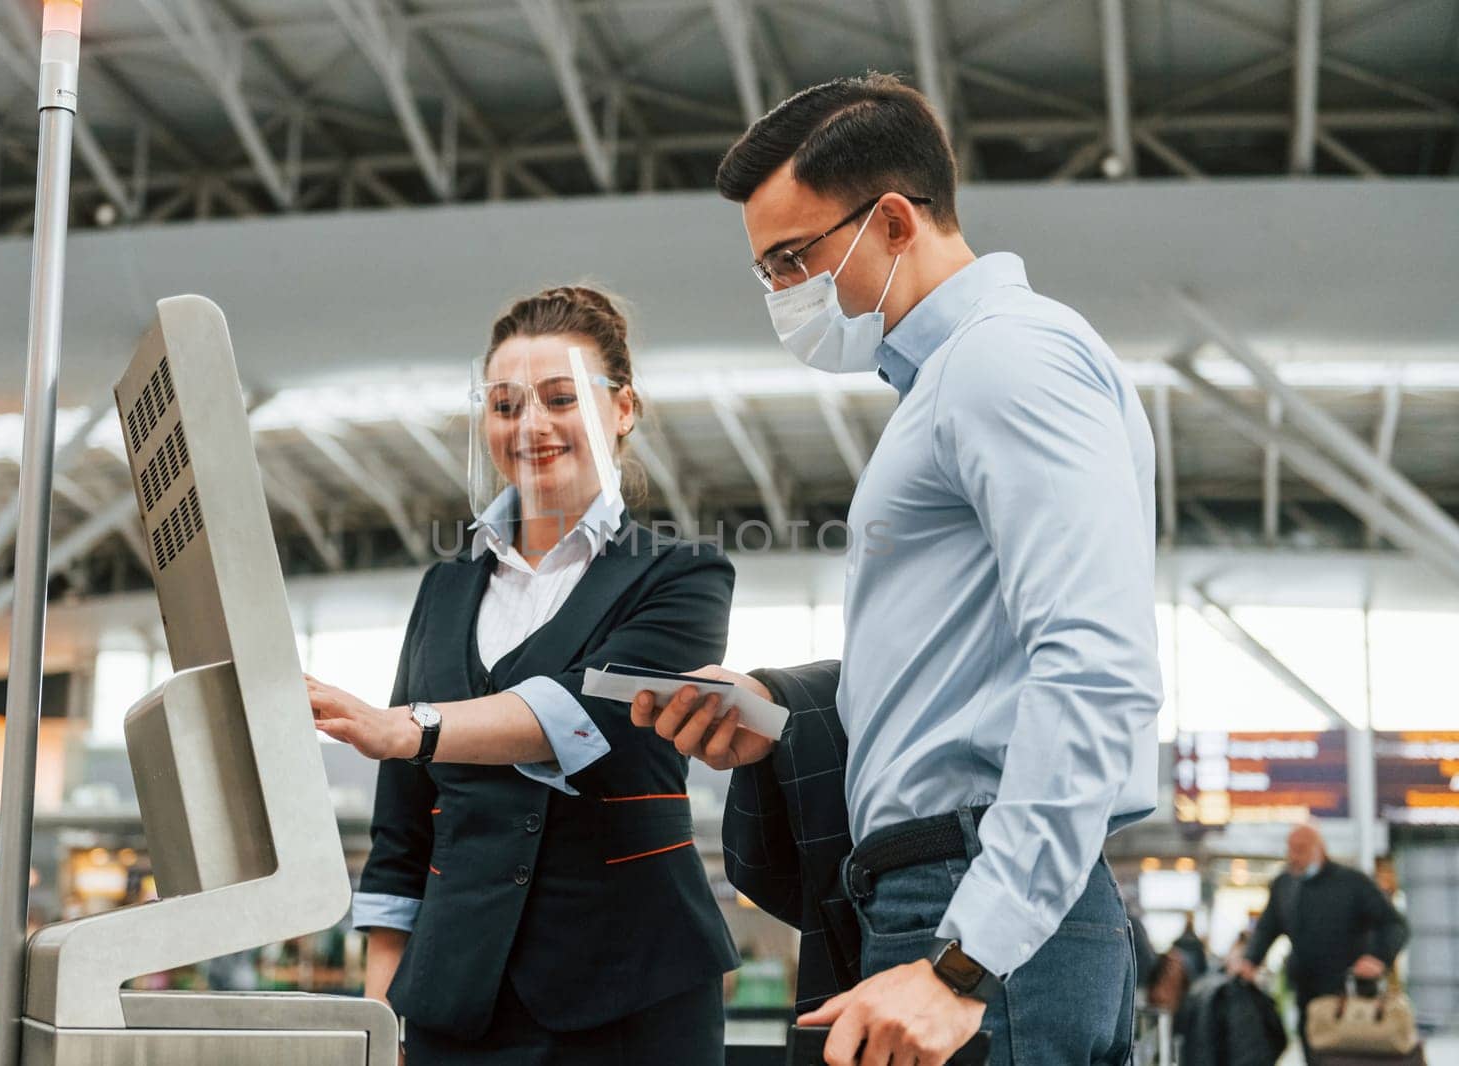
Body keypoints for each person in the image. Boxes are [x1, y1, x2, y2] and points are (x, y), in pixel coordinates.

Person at [631, 73, 1163, 1066]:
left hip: (975, 903)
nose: (782, 293)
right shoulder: (950, 383)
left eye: (792, 257)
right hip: (947, 895)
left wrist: (967, 959)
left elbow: (1096, 660)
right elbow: (965, 674)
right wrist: (775, 707)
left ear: (889, 221)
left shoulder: (1007, 361)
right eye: (765, 272)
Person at [309, 285, 740, 1065]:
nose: (531, 425)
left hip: (634, 997)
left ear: (622, 409)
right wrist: (383, 1016)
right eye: (506, 405)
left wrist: (410, 727)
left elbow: (593, 714)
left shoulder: (682, 575)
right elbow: (403, 826)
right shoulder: (445, 591)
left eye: (559, 398)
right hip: (454, 1002)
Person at [1229, 823, 1409, 1064]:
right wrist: (1250, 960)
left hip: (1350, 993)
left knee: (1348, 1057)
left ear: (1319, 849)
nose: (1293, 857)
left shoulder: (1353, 882)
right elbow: (1267, 928)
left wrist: (1378, 957)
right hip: (1307, 993)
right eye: (1290, 849)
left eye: (1300, 850)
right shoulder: (1285, 886)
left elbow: (1394, 924)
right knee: (1313, 1053)